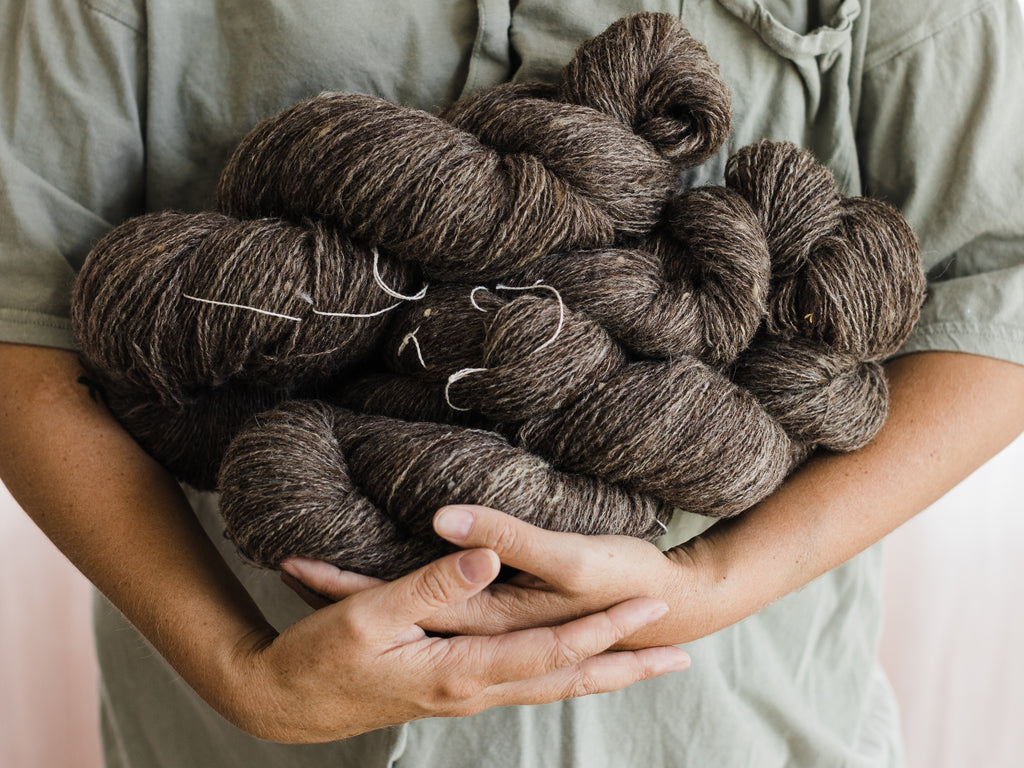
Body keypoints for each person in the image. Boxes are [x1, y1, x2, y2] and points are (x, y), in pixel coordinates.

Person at [1, 0, 1023, 765]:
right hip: (241, 727)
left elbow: (999, 284)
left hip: (724, 725)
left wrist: (718, 582)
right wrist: (241, 674)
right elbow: (26, 328)